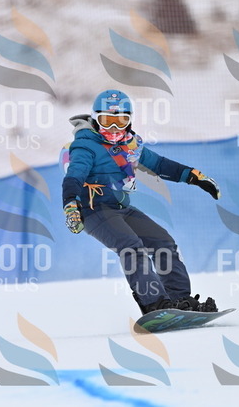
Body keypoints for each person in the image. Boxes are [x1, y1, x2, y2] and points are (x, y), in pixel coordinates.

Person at [62, 89, 221, 315]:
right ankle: (154, 303)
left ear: (130, 121)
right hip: (93, 211)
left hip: (120, 208)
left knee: (163, 241)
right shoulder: (85, 146)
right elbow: (74, 176)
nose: (114, 128)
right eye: (107, 121)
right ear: (95, 120)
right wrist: (70, 204)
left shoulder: (131, 145)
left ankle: (179, 300)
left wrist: (193, 176)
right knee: (130, 246)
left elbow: (160, 165)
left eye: (121, 121)